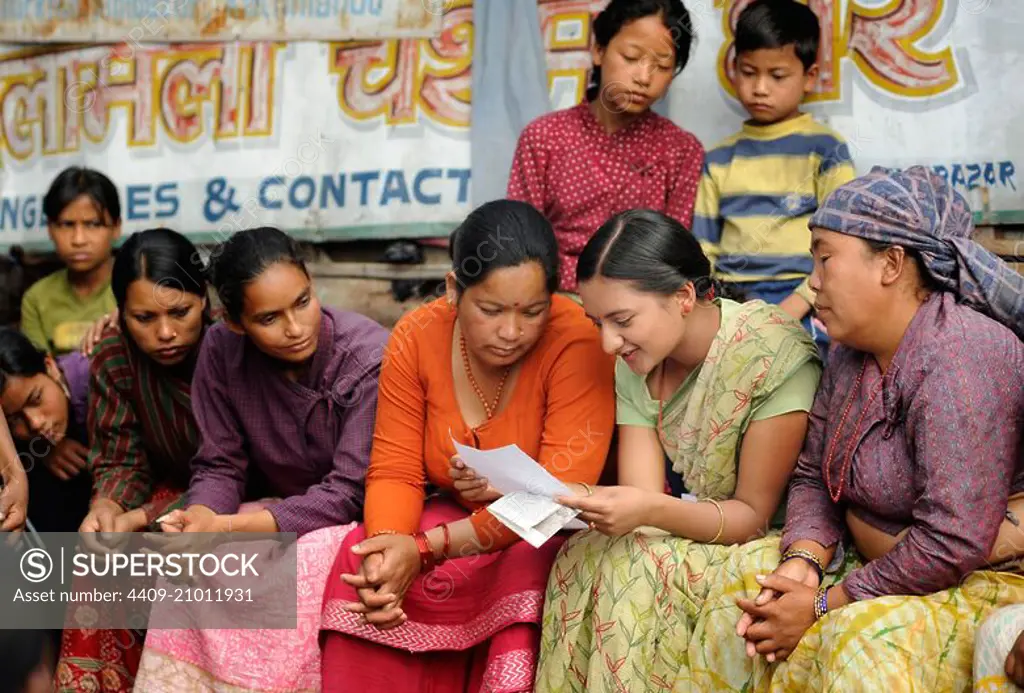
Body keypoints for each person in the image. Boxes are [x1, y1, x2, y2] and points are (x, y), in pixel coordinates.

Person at [711, 166, 1024, 692]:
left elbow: (952, 542)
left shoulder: (959, 357)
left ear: (891, 264)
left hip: (983, 578)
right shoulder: (853, 352)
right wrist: (803, 562)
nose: (813, 281)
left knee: (857, 639)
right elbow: (812, 474)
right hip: (885, 566)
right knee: (739, 601)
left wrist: (821, 603)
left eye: (825, 257)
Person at [318, 199, 616, 691]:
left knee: (523, 567)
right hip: (450, 519)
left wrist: (425, 548)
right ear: (455, 290)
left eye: (533, 311)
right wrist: (388, 549)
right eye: (491, 309)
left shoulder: (579, 340)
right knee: (359, 554)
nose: (511, 331)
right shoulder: (416, 335)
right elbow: (395, 469)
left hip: (546, 532)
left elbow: (555, 499)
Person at [532, 208, 821, 691]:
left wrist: (646, 507)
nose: (607, 343)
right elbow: (643, 498)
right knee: (584, 555)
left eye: (621, 320)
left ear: (685, 295)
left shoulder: (770, 353)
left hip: (781, 545)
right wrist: (559, 496)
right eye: (597, 322)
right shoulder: (637, 360)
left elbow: (753, 515)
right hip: (696, 524)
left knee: (638, 567)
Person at [132, 227, 386, 693]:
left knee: (298, 564)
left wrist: (224, 529)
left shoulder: (366, 358)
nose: (295, 327)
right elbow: (220, 464)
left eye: (303, 301)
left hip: (353, 518)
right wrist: (201, 516)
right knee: (185, 561)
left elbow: (348, 494)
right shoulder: (220, 349)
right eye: (269, 317)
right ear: (233, 321)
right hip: (273, 507)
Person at [55, 227, 212, 693]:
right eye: (143, 317)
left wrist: (144, 514)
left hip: (233, 492)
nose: (165, 332)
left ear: (204, 299)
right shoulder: (114, 356)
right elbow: (121, 458)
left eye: (180, 312)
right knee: (99, 555)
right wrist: (107, 505)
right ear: (119, 314)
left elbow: (235, 464)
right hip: (164, 490)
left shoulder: (232, 345)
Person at [508, 0, 704, 295]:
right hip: (553, 299)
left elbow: (670, 254)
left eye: (662, 66)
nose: (643, 77)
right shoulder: (544, 137)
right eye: (631, 57)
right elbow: (522, 242)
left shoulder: (681, 150)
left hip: (642, 302)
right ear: (599, 51)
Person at [692, 0, 855, 353]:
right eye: (749, 72)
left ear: (809, 77)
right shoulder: (719, 159)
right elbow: (703, 249)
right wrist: (719, 308)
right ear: (733, 69)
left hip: (807, 304)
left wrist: (795, 306)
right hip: (731, 308)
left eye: (777, 76)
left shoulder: (826, 150)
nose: (760, 88)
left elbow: (840, 244)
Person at [20, 167, 120, 356]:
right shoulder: (37, 299)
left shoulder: (137, 289)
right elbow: (38, 376)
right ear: (50, 229)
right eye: (67, 225)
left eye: (93, 224)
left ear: (116, 227)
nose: (78, 239)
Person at [0, 329, 91, 532]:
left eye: (36, 399)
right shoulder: (19, 445)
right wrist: (44, 449)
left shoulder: (95, 377)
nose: (35, 423)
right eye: (14, 420)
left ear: (49, 366)